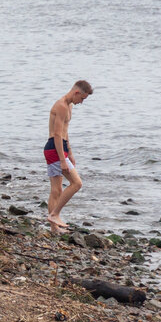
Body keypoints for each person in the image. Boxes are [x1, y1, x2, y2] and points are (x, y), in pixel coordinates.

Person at [46, 80, 92, 233]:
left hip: (60, 148)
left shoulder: (69, 106)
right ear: (76, 93)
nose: (82, 102)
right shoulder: (61, 106)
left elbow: (65, 132)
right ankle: (55, 215)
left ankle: (54, 228)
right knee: (77, 183)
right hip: (55, 149)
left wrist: (70, 152)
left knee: (56, 190)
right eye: (83, 99)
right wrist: (62, 160)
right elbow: (57, 134)